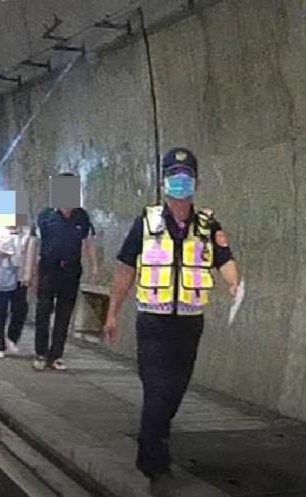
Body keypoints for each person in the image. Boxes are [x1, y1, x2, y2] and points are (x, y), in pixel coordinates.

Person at [103, 147, 240, 482]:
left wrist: (234, 283)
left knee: (175, 392)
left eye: (187, 175)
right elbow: (124, 270)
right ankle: (154, 463)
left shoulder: (208, 224)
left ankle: (155, 445)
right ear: (164, 181)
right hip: (153, 321)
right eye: (174, 175)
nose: (181, 182)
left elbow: (224, 258)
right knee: (157, 391)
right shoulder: (146, 222)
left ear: (195, 180)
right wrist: (112, 314)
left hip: (190, 323)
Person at [33, 173, 99, 371]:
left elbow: (89, 242)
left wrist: (94, 265)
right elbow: (34, 243)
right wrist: (29, 271)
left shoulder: (82, 216)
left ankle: (56, 355)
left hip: (71, 270)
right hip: (48, 269)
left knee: (64, 313)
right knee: (43, 311)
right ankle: (41, 353)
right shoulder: (46, 215)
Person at [0, 222, 35, 358]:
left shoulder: (26, 232)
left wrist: (29, 273)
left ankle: (12, 338)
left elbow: (30, 252)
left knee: (20, 309)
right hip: (0, 275)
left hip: (19, 275)